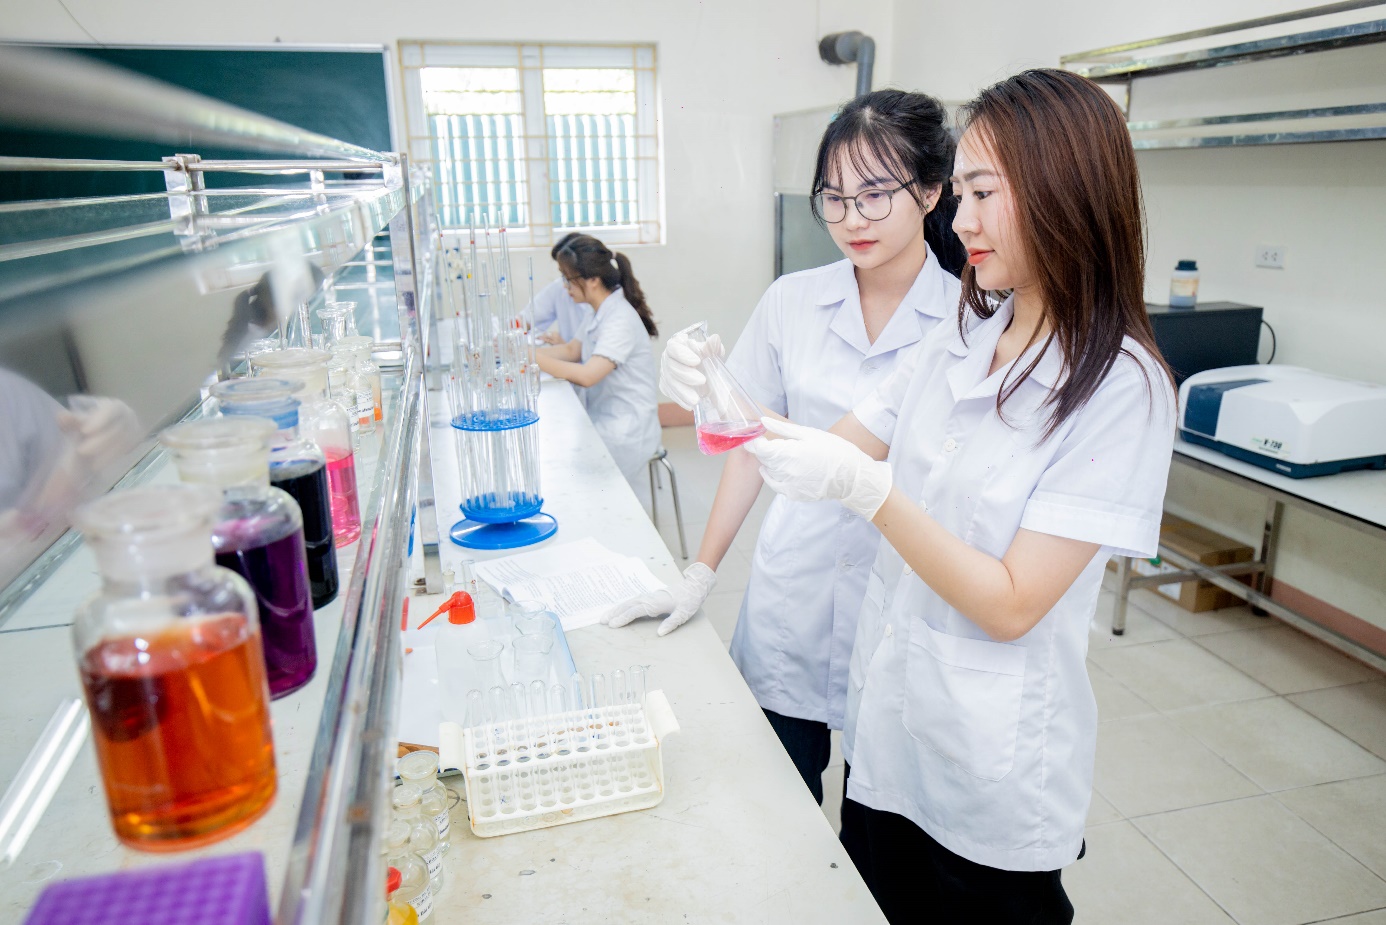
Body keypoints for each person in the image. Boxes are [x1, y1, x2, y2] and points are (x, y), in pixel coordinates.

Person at [745, 69, 1177, 922]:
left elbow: (1013, 602)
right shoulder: (962, 335)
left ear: (1065, 190)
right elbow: (831, 451)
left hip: (993, 763)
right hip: (890, 728)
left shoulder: (1120, 385)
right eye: (964, 192)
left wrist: (874, 497)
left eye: (982, 192)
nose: (962, 220)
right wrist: (729, 414)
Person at [603, 89, 965, 806]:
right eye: (833, 198)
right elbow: (746, 446)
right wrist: (700, 570)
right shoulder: (793, 300)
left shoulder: (966, 318)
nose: (850, 219)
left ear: (930, 192)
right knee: (778, 804)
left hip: (898, 595)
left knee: (879, 826)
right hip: (792, 592)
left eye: (874, 195)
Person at [535, 234, 660, 491]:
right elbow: (571, 350)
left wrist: (532, 357)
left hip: (626, 432)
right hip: (604, 421)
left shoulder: (619, 319)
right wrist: (518, 351)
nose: (564, 287)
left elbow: (588, 375)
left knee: (571, 483)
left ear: (592, 280)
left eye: (568, 279)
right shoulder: (599, 310)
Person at [526, 232, 592, 345]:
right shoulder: (559, 288)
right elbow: (526, 318)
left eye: (567, 275)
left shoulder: (606, 306)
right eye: (563, 276)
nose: (565, 284)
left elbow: (579, 354)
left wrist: (564, 346)